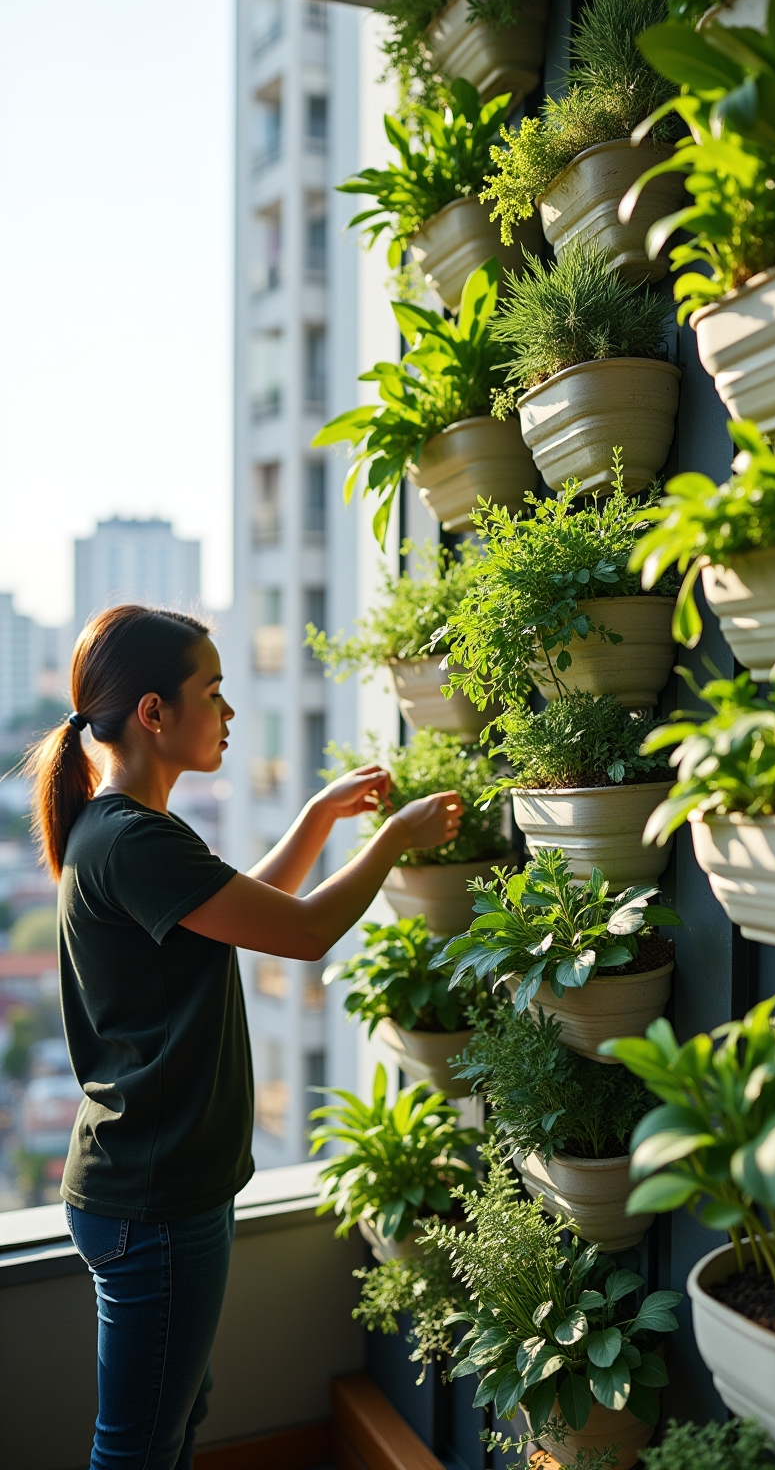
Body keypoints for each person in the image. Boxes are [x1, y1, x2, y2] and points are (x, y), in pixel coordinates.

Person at [25, 603, 463, 1470]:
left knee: (172, 1422)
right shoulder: (131, 839)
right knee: (139, 1448)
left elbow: (245, 915)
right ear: (154, 713)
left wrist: (319, 817)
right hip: (156, 1196)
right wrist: (391, 841)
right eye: (214, 692)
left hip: (154, 1186)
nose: (229, 713)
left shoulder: (124, 831)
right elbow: (305, 932)